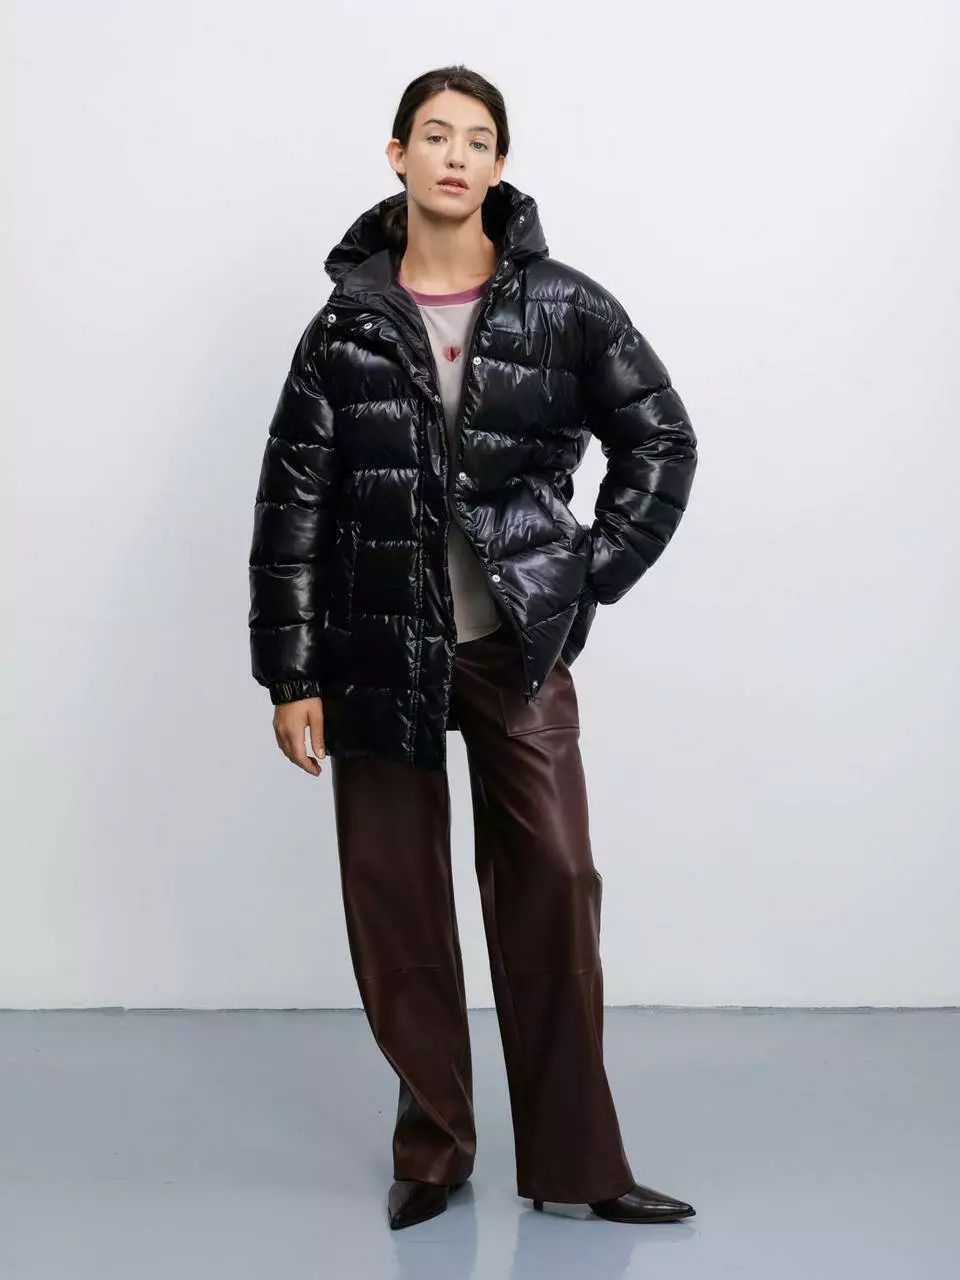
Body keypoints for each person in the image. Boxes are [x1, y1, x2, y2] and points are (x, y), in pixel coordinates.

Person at [248, 65, 699, 1231]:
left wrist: (581, 576)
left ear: (499, 164)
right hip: (374, 646)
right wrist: (291, 675)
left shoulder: (564, 304)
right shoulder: (345, 325)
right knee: (396, 900)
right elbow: (294, 503)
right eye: (436, 135)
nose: (456, 155)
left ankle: (579, 1163)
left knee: (555, 879)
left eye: (478, 138)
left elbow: (661, 441)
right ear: (396, 154)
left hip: (513, 646)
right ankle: (435, 1147)